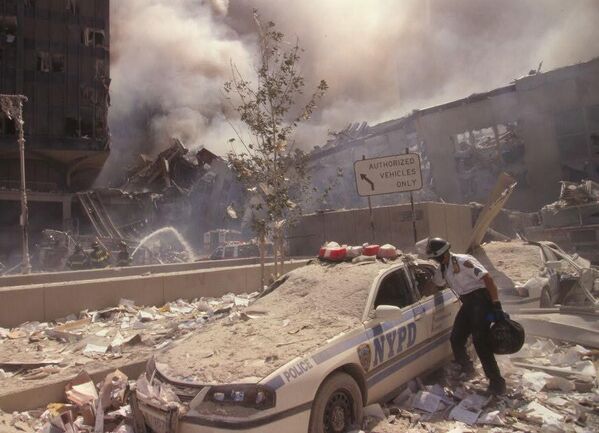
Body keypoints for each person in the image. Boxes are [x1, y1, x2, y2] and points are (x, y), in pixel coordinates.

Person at [427, 237, 507, 395]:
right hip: (468, 304)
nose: (435, 261)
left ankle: (497, 384)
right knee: (456, 338)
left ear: (442, 254)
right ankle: (467, 369)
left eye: (435, 258)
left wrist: (496, 303)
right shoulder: (443, 268)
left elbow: (488, 279)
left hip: (481, 301)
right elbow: (434, 285)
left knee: (480, 342)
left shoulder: (464, 261)